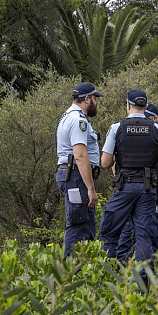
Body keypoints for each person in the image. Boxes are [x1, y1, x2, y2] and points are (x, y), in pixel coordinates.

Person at [99, 89, 158, 269]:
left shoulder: (117, 127)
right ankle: (142, 285)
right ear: (146, 107)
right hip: (148, 190)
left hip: (124, 188)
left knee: (110, 232)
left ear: (128, 105)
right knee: (144, 237)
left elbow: (105, 162)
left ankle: (107, 277)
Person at [116, 102, 158, 260]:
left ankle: (133, 268)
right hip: (147, 188)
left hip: (148, 186)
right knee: (139, 231)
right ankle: (138, 269)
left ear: (154, 117)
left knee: (148, 231)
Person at [55, 82, 103, 258]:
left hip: (74, 175)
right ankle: (69, 276)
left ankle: (83, 274)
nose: (96, 103)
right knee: (78, 225)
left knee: (86, 224)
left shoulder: (69, 116)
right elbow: (80, 155)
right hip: (76, 176)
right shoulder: (78, 120)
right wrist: (91, 188)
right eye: (95, 99)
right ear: (87, 99)